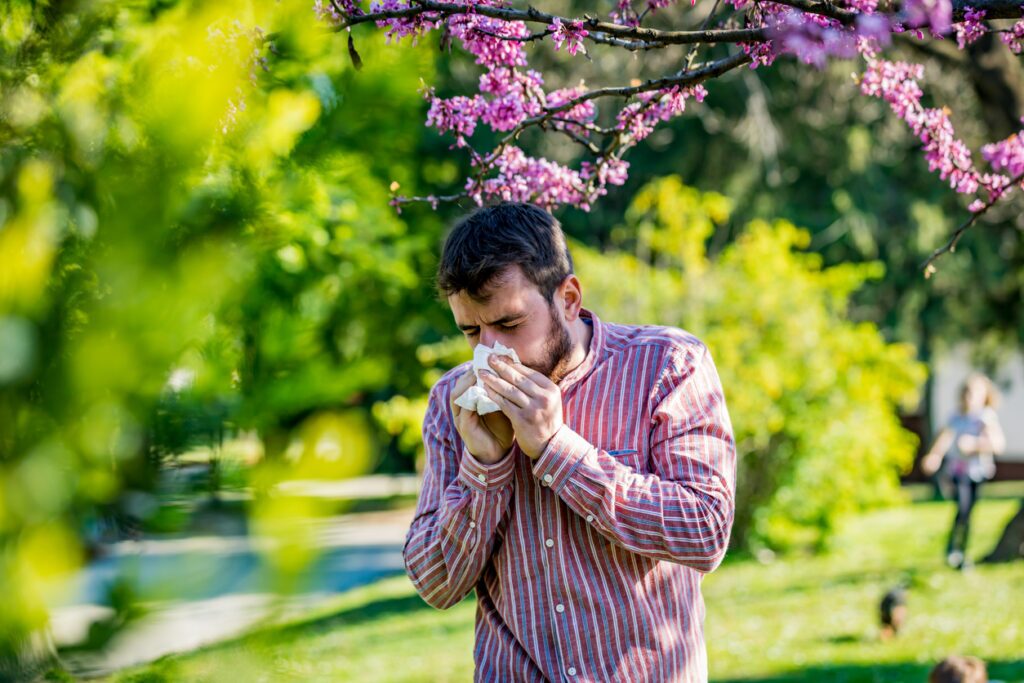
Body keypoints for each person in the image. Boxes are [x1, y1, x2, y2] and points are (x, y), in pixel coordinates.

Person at [402, 202, 737, 682]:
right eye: (471, 331)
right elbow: (435, 584)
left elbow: (704, 531)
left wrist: (558, 449)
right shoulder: (450, 404)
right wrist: (484, 466)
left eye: (510, 325)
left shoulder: (670, 365)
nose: (488, 353)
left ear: (569, 298)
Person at [921, 373, 1006, 570]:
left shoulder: (986, 417)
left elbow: (998, 444)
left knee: (969, 513)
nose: (969, 397)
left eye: (974, 393)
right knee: (962, 508)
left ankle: (962, 551)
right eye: (966, 393)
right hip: (959, 472)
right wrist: (934, 456)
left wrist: (975, 445)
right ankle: (953, 549)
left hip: (979, 472)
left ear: (984, 396)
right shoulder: (956, 417)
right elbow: (944, 438)